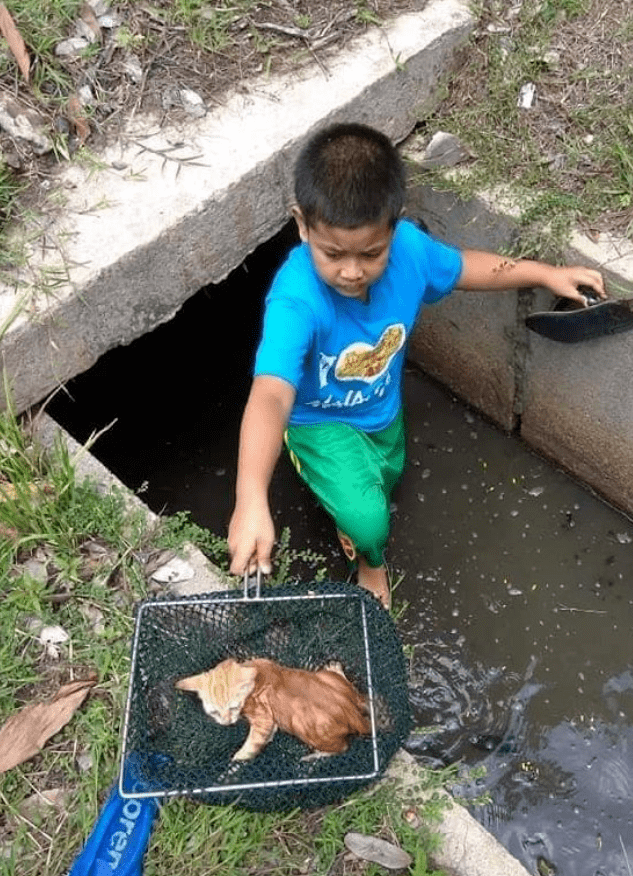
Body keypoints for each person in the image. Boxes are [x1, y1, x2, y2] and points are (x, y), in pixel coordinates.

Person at [228, 122, 605, 607]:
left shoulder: (409, 250)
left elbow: (465, 268)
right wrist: (250, 497)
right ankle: (368, 563)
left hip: (381, 409)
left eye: (370, 253)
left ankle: (356, 514)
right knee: (369, 520)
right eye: (332, 253)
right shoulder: (296, 300)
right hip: (318, 421)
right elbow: (272, 392)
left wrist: (544, 273)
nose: (351, 271)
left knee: (388, 477)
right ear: (301, 225)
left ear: (394, 226)